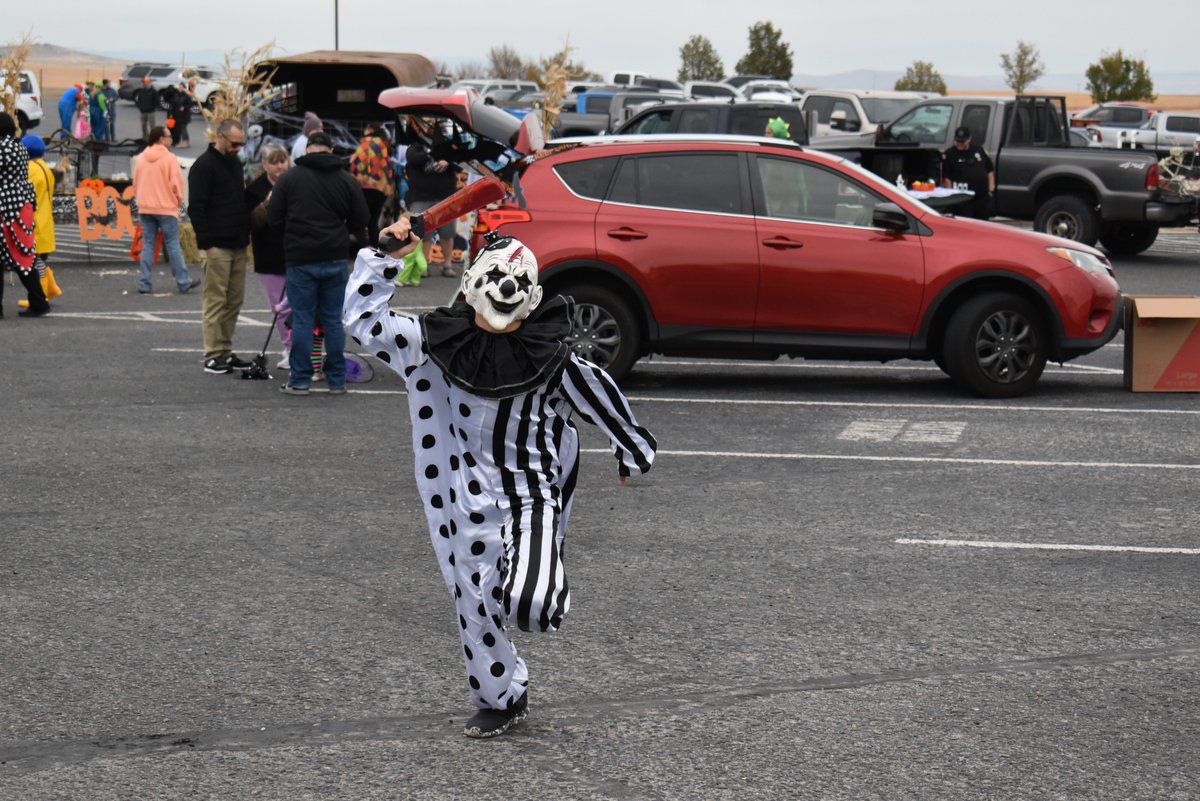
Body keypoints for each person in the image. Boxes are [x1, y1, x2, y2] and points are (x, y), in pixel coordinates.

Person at [344, 222, 657, 738]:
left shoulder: (552, 360)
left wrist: (633, 452)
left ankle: (534, 586)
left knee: (532, 602)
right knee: (475, 603)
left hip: (531, 494)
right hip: (465, 499)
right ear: (470, 286)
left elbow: (601, 397)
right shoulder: (434, 343)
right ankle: (503, 696)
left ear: (531, 301)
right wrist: (383, 256)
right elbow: (363, 323)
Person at [268, 131, 368, 395]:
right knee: (333, 321)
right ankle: (337, 380)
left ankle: (300, 379)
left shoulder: (289, 178)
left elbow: (273, 217)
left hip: (300, 257)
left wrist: (289, 237)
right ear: (331, 150)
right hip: (335, 255)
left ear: (307, 150)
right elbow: (361, 218)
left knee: (302, 319)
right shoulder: (346, 180)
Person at [188, 119, 252, 374]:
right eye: (235, 143)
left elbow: (239, 199)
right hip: (217, 245)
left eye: (241, 144)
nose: (238, 148)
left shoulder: (235, 164)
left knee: (234, 300)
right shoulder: (203, 166)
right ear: (221, 137)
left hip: (237, 243)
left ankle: (225, 348)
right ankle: (213, 353)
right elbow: (197, 207)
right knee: (215, 300)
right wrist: (207, 243)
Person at [132, 126, 197, 294]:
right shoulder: (169, 158)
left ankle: (144, 283)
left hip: (145, 206)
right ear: (161, 139)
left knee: (148, 244)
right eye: (169, 136)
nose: (171, 138)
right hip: (166, 207)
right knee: (173, 244)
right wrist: (177, 201)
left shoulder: (141, 158)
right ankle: (183, 281)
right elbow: (177, 184)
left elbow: (135, 182)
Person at [245, 141, 292, 367]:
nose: (280, 167)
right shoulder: (255, 189)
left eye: (283, 161)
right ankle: (288, 347)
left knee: (300, 305)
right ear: (264, 165)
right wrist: (266, 204)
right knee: (279, 307)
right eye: (274, 163)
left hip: (295, 253)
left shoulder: (296, 183)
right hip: (268, 255)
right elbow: (251, 222)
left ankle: (300, 348)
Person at [0, 113, 49, 317]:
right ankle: (38, 301)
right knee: (24, 258)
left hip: (3, 206)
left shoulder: (1, 148)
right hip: (21, 206)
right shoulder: (20, 147)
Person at [405, 135, 461, 277]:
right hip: (421, 196)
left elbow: (460, 164)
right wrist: (431, 155)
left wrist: (447, 162)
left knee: (447, 233)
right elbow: (412, 158)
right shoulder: (415, 146)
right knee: (422, 233)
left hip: (445, 196)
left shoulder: (449, 146)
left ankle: (447, 265)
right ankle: (422, 265)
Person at [20, 134, 61, 307]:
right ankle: (48, 290)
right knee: (38, 261)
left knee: (33, 262)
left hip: (34, 221)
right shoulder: (44, 168)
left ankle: (41, 294)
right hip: (46, 221)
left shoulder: (29, 169)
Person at [348, 123, 395, 247]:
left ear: (371, 130)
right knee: (373, 222)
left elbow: (355, 163)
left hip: (365, 189)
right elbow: (388, 166)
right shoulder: (384, 145)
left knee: (360, 220)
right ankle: (374, 248)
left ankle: (364, 247)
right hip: (381, 190)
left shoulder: (365, 144)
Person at [941, 126, 995, 220]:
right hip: (962, 199)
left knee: (983, 226)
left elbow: (989, 170)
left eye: (962, 141)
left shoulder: (979, 150)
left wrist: (990, 189)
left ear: (969, 139)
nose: (959, 144)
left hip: (981, 198)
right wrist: (950, 196)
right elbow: (947, 177)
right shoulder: (949, 154)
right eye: (957, 141)